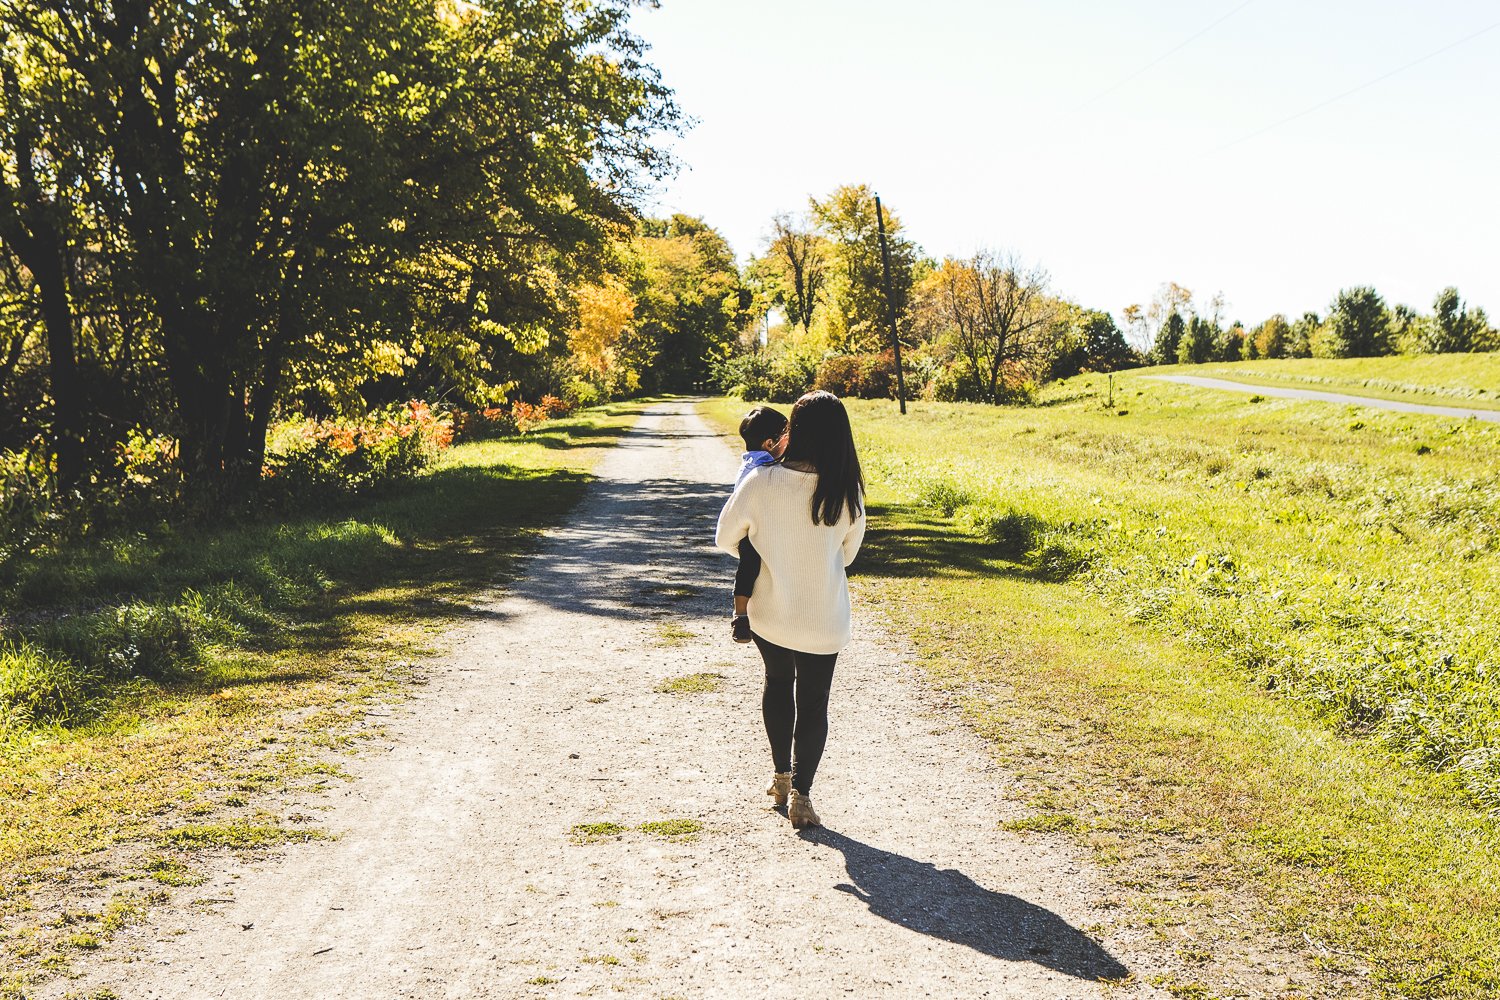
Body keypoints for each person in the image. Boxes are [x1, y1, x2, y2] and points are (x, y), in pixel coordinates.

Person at [715, 391, 866, 828]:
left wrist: (768, 544)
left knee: (778, 684)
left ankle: (780, 778)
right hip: (824, 618)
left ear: (793, 431)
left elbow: (726, 537)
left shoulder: (760, 483)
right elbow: (848, 554)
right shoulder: (847, 491)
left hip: (770, 613)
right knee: (815, 703)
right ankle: (803, 795)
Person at [730, 406, 789, 644]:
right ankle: (741, 616)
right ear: (769, 443)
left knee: (747, 568)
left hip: (754, 526)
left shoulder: (749, 460)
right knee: (750, 564)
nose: (788, 444)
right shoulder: (765, 466)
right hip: (755, 529)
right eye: (785, 438)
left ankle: (741, 613)